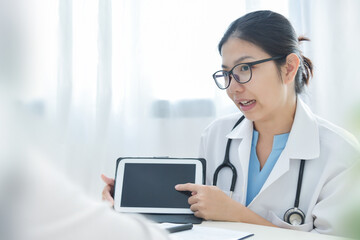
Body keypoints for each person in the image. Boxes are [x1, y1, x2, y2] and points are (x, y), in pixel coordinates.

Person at [102, 10, 360, 235]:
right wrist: (130, 199)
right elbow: (197, 216)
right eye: (227, 73)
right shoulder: (217, 134)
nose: (233, 88)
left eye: (245, 69)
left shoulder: (341, 154)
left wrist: (235, 213)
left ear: (289, 68)